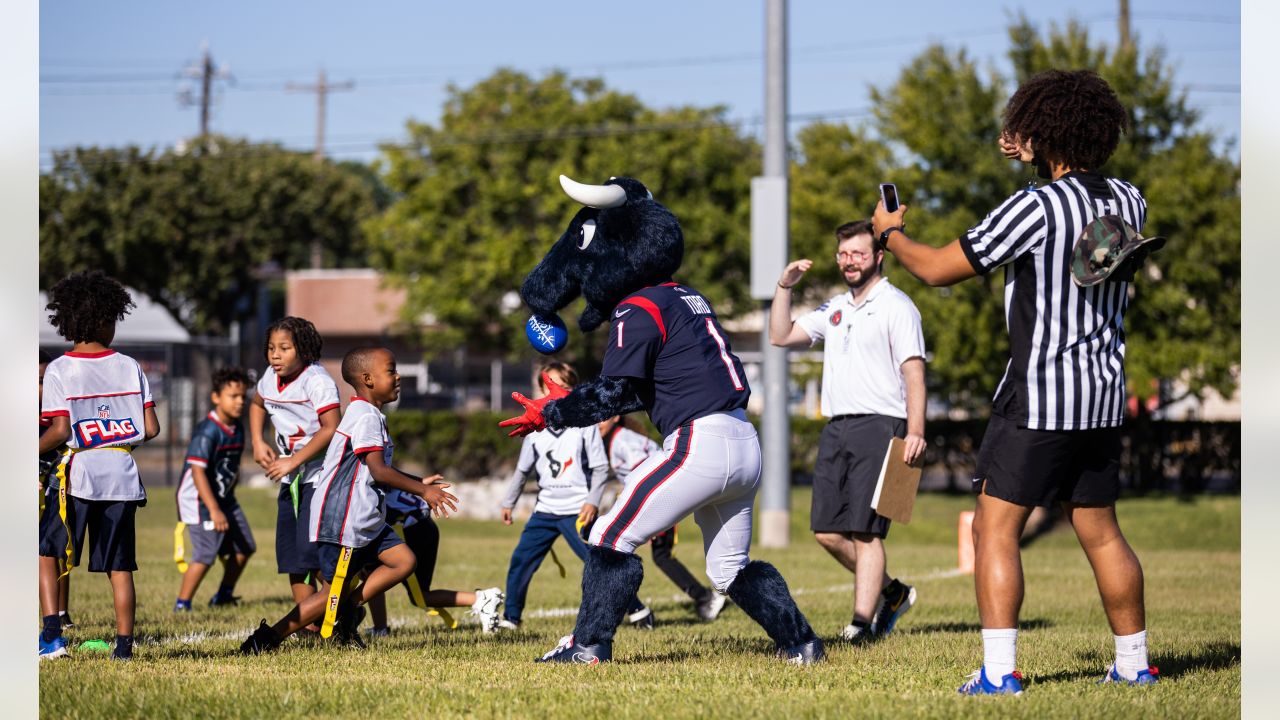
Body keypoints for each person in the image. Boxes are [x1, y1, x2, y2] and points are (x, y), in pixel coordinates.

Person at [869, 69, 1161, 694]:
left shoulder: (1033, 206)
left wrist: (890, 234)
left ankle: (1000, 673)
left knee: (992, 528)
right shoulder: (1129, 199)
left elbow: (940, 269)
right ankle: (1135, 665)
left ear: (1043, 131)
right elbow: (1074, 216)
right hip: (1103, 394)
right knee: (1102, 529)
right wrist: (1032, 152)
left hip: (1038, 393)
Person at [769, 219, 927, 643]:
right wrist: (784, 287)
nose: (849, 261)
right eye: (843, 254)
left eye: (858, 253)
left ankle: (861, 624)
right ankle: (892, 592)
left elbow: (914, 372)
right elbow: (781, 336)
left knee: (865, 530)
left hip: (882, 425)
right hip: (837, 426)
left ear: (878, 256)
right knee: (826, 531)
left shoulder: (897, 306)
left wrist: (916, 431)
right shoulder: (835, 308)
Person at [240, 346, 458, 653]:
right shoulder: (365, 417)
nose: (398, 377)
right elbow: (379, 472)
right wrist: (423, 491)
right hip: (343, 521)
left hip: (363, 517)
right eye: (391, 370)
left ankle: (346, 611)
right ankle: (269, 637)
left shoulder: (370, 415)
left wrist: (417, 481)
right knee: (330, 593)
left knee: (403, 561)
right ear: (368, 379)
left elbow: (375, 465)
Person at [38, 270, 161, 661]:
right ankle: (124, 649)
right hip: (123, 475)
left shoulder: (60, 369)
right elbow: (151, 427)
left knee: (48, 551)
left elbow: (60, 429)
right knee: (120, 565)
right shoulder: (129, 365)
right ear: (106, 319)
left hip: (78, 474)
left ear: (69, 321)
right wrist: (115, 440)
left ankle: (53, 638)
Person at [497, 363, 654, 632]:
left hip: (576, 512)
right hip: (545, 512)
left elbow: (600, 467)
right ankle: (511, 618)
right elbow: (523, 471)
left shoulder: (584, 426)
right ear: (541, 389)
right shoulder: (534, 432)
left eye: (565, 387)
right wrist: (508, 502)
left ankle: (636, 609)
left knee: (598, 563)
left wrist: (592, 501)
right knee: (521, 561)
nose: (555, 392)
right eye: (549, 386)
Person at [249, 316, 340, 611]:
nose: (275, 354)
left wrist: (294, 461)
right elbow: (257, 402)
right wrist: (257, 441)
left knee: (314, 554)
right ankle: (308, 625)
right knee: (292, 557)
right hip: (292, 481)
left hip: (319, 479)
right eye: (271, 348)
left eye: (284, 348)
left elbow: (331, 427)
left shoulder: (317, 381)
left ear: (303, 349)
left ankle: (338, 616)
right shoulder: (269, 377)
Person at [597, 414, 726, 622]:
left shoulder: (622, 440)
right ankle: (704, 596)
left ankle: (706, 597)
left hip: (662, 495)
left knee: (660, 555)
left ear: (616, 417)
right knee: (657, 554)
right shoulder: (617, 438)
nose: (599, 423)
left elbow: (643, 475)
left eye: (604, 418)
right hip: (661, 494)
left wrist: (646, 514)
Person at [363, 489, 504, 636]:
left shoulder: (374, 474)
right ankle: (380, 628)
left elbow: (380, 478)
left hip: (410, 530)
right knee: (371, 575)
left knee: (417, 595)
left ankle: (482, 598)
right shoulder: (381, 472)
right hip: (420, 525)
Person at [173, 367, 256, 611]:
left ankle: (223, 595)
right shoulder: (208, 431)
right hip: (199, 501)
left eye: (243, 396)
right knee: (206, 554)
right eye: (233, 396)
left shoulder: (238, 428)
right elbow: (197, 472)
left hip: (224, 499)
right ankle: (182, 604)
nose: (240, 401)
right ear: (216, 397)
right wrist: (214, 509)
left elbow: (231, 466)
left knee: (245, 547)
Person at [38, 350, 74, 633]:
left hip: (53, 492)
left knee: (56, 549)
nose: (45, 388)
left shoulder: (60, 421)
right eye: (40, 380)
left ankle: (60, 613)